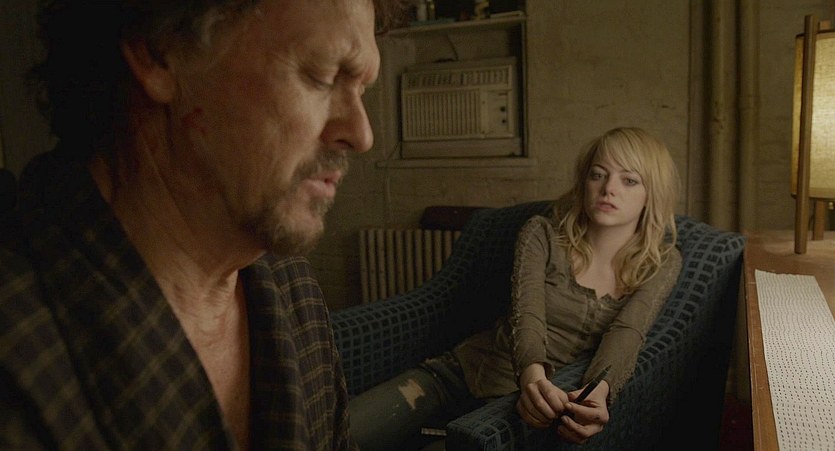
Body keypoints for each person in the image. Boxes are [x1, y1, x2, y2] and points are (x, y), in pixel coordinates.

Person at [0, 0, 405, 449]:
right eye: (321, 76)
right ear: (160, 52)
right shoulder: (18, 360)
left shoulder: (292, 289)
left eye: (361, 89)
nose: (362, 134)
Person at [349, 126, 683, 449]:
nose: (609, 188)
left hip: (513, 408)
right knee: (339, 431)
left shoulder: (662, 261)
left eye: (629, 180)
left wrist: (600, 392)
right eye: (598, 174)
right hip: (461, 373)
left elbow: (628, 332)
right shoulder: (542, 233)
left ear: (652, 193)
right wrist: (532, 378)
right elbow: (527, 315)